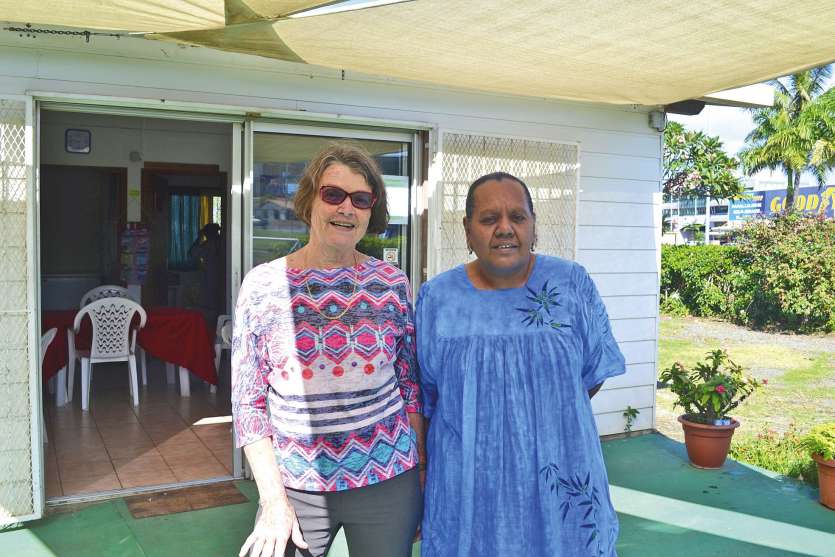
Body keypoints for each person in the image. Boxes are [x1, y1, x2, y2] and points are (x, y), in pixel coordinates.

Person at [416, 172, 626, 556]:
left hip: (561, 474)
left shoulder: (571, 285)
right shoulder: (438, 299)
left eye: (517, 216)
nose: (504, 228)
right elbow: (428, 394)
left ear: (533, 224)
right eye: (488, 218)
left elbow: (590, 375)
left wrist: (543, 419)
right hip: (469, 485)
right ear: (467, 229)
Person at [232, 144, 424, 557]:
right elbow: (248, 404)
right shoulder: (262, 286)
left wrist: (422, 471)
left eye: (361, 199)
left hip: (387, 478)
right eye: (332, 194)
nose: (346, 209)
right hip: (297, 484)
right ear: (309, 200)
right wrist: (272, 501)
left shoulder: (392, 283)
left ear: (372, 210)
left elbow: (410, 386)